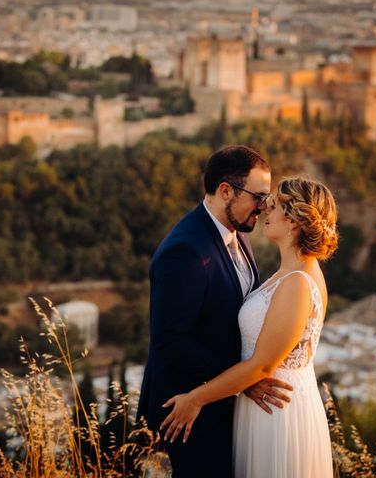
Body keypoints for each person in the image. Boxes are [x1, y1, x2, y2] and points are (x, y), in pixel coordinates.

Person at [160, 176, 338, 478]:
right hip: (262, 405)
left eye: (275, 207)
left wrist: (195, 399)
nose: (265, 211)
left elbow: (261, 366)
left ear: (294, 221)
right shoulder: (290, 272)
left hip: (277, 412)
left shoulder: (297, 283)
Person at [137, 146, 293, 478]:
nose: (264, 206)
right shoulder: (186, 250)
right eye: (259, 196)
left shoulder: (237, 230)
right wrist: (243, 379)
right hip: (189, 406)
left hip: (221, 399)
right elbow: (172, 340)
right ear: (226, 190)